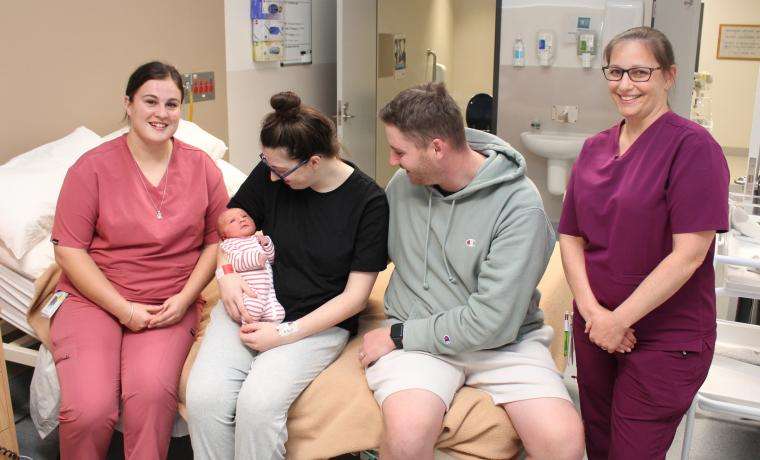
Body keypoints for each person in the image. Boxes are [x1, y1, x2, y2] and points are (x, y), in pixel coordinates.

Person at [360, 82, 585, 460]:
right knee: (406, 436)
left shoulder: (519, 206)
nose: (392, 162)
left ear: (437, 148)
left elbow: (492, 321)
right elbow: (363, 252)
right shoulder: (404, 186)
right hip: (421, 331)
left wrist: (398, 337)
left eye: (399, 152)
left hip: (501, 343)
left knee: (564, 443)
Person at [186, 91, 389, 459]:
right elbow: (229, 231)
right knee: (203, 399)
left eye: (281, 170)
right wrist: (226, 274)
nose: (273, 178)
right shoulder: (270, 174)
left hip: (314, 322)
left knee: (258, 406)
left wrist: (282, 334)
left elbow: (355, 298)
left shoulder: (368, 202)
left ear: (314, 162)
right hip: (250, 303)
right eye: (267, 165)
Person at [558, 27, 729, 459]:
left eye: (640, 72)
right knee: (597, 441)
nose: (625, 84)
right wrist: (595, 314)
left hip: (665, 337)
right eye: (616, 71)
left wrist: (619, 320)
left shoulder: (693, 148)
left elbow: (689, 255)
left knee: (633, 451)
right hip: (596, 328)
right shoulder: (594, 148)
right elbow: (570, 235)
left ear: (669, 76)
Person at [49, 61, 228, 459]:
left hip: (168, 303)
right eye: (150, 101)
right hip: (93, 300)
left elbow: (216, 241)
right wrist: (123, 309)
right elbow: (69, 250)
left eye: (172, 104)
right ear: (128, 104)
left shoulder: (201, 166)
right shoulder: (91, 168)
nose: (161, 114)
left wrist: (184, 299)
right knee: (89, 409)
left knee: (150, 397)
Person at [217, 207, 285, 322]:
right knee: (251, 311)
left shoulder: (257, 239)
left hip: (269, 292)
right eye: (232, 221)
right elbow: (236, 261)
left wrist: (267, 244)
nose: (242, 220)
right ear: (224, 236)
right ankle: (249, 329)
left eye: (244, 216)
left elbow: (271, 259)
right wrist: (256, 259)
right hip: (251, 291)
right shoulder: (229, 244)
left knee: (278, 315)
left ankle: (268, 331)